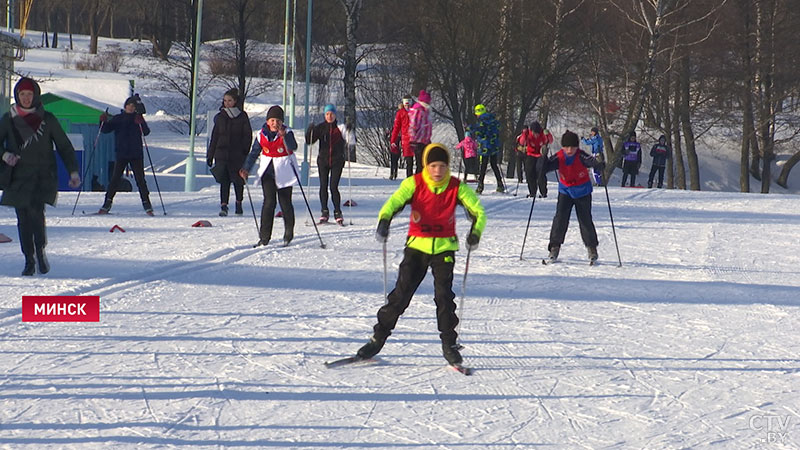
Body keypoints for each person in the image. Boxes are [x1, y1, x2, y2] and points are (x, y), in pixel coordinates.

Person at [356, 143, 486, 366]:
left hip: (444, 249)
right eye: (433, 166)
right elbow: (393, 203)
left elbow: (479, 211)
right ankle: (378, 338)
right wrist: (384, 220)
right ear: (427, 165)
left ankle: (449, 344)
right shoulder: (414, 183)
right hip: (417, 248)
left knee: (444, 297)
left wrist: (476, 231)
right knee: (400, 295)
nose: (438, 171)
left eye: (443, 166)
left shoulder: (457, 187)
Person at [0, 77, 80, 276]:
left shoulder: (48, 119)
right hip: (17, 176)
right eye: (22, 94)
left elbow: (64, 147)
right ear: (17, 96)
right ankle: (28, 259)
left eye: (29, 94)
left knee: (36, 215)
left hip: (42, 175)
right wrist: (5, 154)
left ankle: (40, 251)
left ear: (36, 95)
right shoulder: (8, 119)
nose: (26, 98)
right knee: (22, 218)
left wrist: (73, 171)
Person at [541, 130, 604, 264]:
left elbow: (591, 162)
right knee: (560, 219)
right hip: (566, 191)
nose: (569, 150)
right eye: (566, 147)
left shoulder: (581, 156)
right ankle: (554, 247)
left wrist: (599, 164)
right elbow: (545, 167)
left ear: (577, 147)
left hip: (583, 191)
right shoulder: (559, 157)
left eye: (573, 147)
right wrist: (543, 158)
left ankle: (591, 248)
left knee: (585, 219)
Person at [240, 105, 298, 247]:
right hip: (268, 172)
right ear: (267, 121)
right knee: (269, 203)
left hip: (284, 172)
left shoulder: (287, 132)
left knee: (285, 203)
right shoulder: (261, 135)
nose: (275, 123)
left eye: (278, 120)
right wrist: (246, 168)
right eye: (272, 120)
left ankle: (288, 233)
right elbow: (254, 153)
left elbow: (293, 146)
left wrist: (285, 137)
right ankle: (264, 237)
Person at [98, 95, 153, 214]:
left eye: (133, 106)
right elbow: (106, 129)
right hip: (122, 154)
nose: (131, 108)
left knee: (140, 180)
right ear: (125, 106)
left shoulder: (138, 119)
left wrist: (142, 122)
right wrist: (102, 121)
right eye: (129, 105)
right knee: (115, 179)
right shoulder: (119, 118)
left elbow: (146, 132)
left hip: (136, 154)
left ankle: (147, 204)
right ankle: (107, 204)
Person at [305, 104, 355, 224]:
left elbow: (352, 141)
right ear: (325, 115)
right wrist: (310, 131)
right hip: (323, 160)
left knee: (333, 187)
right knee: (323, 186)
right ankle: (324, 211)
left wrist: (349, 130)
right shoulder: (321, 127)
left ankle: (337, 212)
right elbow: (309, 141)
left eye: (331, 114)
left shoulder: (340, 127)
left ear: (335, 114)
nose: (329, 116)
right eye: (327, 114)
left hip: (337, 161)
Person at [207, 88, 252, 216]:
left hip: (237, 154)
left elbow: (247, 135)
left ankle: (239, 203)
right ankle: (224, 206)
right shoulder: (221, 116)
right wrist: (210, 155)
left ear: (235, 101)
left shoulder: (242, 116)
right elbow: (215, 137)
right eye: (225, 101)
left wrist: (244, 150)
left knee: (238, 180)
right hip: (221, 154)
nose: (227, 103)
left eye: (230, 100)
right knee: (224, 180)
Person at [469, 104, 504, 194]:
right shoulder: (493, 119)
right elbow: (499, 128)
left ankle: (480, 186)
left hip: (485, 145)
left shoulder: (481, 120)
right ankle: (500, 184)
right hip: (494, 145)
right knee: (494, 164)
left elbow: (480, 130)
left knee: (483, 165)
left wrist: (470, 129)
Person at [522, 121, 553, 198]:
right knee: (529, 172)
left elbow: (550, 141)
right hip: (531, 154)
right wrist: (524, 134)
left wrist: (548, 134)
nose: (536, 135)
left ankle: (543, 192)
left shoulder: (542, 134)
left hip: (541, 155)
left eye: (537, 133)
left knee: (540, 173)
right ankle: (532, 192)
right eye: (534, 133)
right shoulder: (528, 134)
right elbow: (522, 142)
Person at [407, 90, 432, 175]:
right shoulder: (418, 109)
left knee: (425, 163)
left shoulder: (426, 110)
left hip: (425, 141)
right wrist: (412, 139)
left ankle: (421, 180)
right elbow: (412, 125)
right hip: (417, 141)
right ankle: (418, 181)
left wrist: (428, 139)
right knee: (420, 164)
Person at [389, 95, 412, 179]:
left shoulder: (415, 112)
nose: (408, 107)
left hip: (415, 139)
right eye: (406, 105)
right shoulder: (400, 113)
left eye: (409, 105)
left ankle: (416, 179)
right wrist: (393, 140)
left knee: (417, 161)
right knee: (406, 159)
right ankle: (394, 173)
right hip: (405, 139)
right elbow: (396, 127)